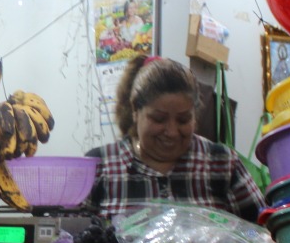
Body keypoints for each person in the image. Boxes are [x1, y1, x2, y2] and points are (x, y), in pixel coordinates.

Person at [89, 55, 265, 223]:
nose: (172, 132)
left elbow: (263, 232)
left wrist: (235, 238)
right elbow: (76, 234)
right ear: (135, 111)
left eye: (183, 120)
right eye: (159, 119)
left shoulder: (223, 164)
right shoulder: (98, 167)